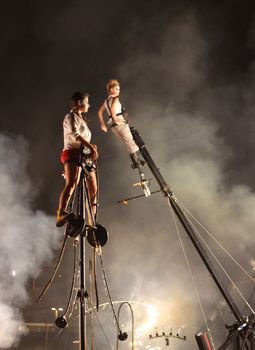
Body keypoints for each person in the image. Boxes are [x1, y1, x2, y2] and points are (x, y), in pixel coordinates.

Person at [56, 92, 98, 227]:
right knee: (72, 183)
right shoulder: (70, 117)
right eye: (86, 102)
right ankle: (61, 212)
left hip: (84, 155)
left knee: (93, 190)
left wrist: (91, 147)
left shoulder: (81, 120)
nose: (89, 105)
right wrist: (90, 146)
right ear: (79, 103)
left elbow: (84, 138)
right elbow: (75, 135)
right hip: (72, 153)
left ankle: (92, 223)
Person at [98, 79, 144, 168]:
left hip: (113, 126)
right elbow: (112, 108)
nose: (118, 91)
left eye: (119, 89)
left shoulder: (106, 101)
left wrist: (103, 124)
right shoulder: (115, 98)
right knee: (130, 141)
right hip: (119, 123)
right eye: (116, 89)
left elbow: (100, 112)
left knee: (127, 142)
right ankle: (137, 162)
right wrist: (116, 119)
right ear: (111, 90)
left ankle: (136, 161)